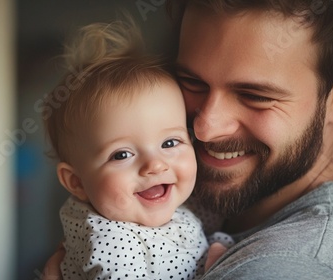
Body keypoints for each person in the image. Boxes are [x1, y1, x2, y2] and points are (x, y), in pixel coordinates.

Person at [44, 0, 333, 279]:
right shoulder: (216, 209)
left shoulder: (284, 267)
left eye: (255, 96)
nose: (205, 127)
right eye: (192, 83)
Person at [42, 18, 232, 280]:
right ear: (77, 182)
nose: (155, 165)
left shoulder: (169, 202)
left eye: (169, 143)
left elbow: (199, 221)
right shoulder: (112, 243)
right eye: (122, 154)